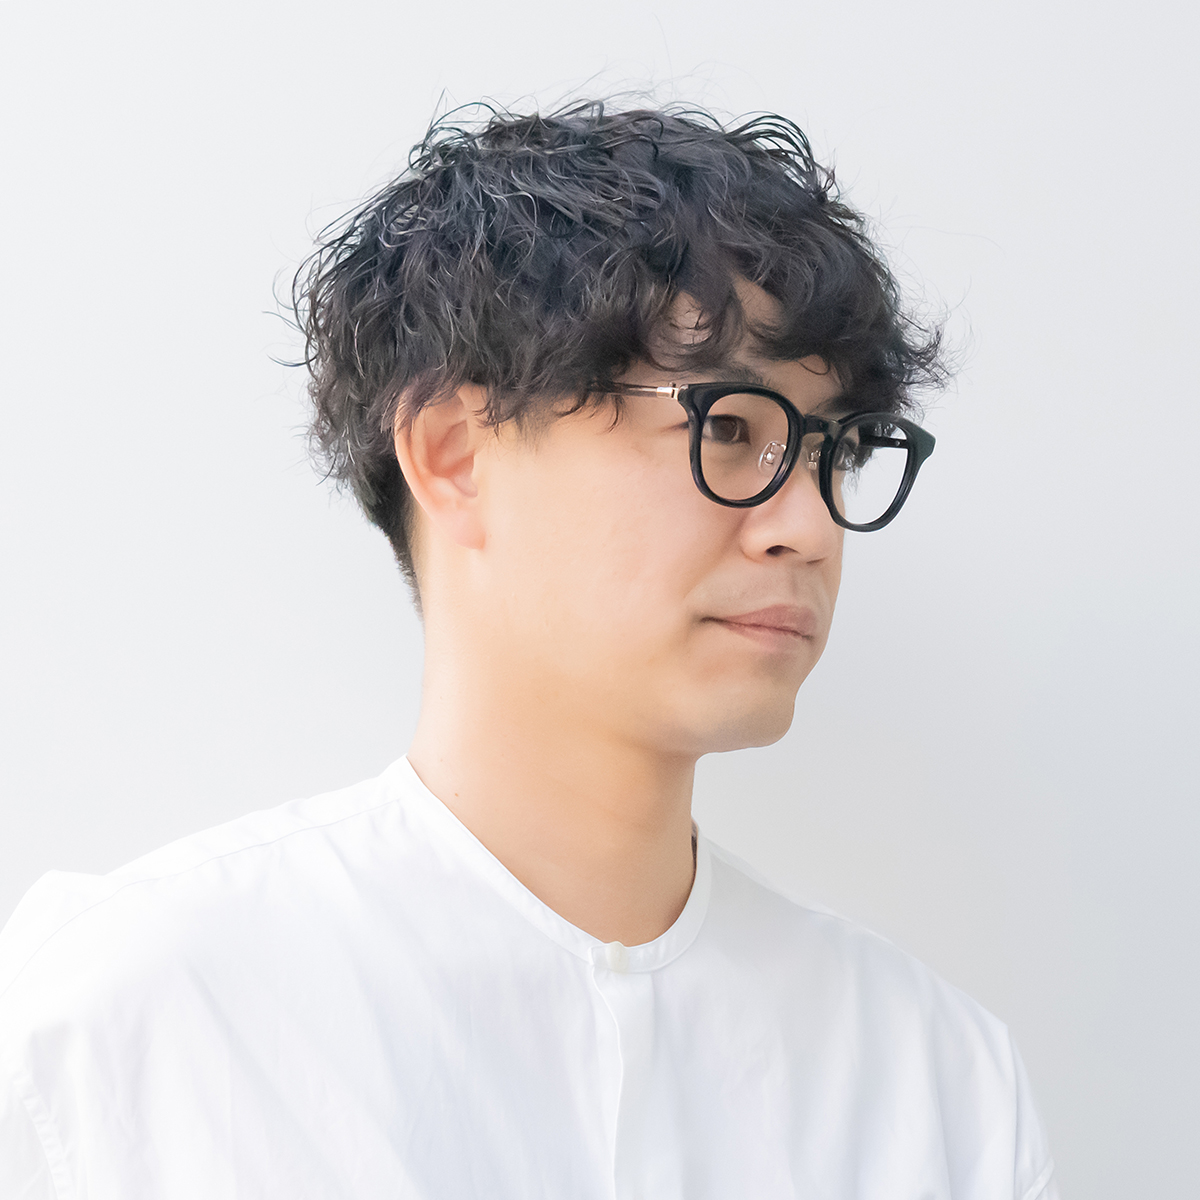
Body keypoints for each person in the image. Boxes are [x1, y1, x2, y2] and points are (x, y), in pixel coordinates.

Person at [0, 101, 1059, 1198]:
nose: (810, 527)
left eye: (834, 452)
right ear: (456, 455)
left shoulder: (931, 1079)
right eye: (731, 427)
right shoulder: (149, 1019)